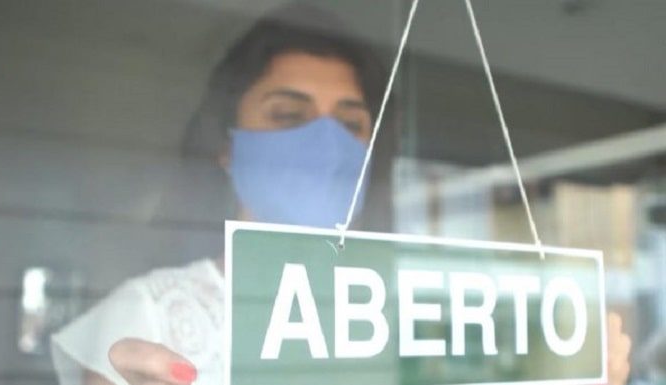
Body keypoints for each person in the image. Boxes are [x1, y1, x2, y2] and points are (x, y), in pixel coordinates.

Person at [51, 3, 631, 385]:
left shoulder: (411, 312)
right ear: (226, 146)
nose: (325, 145)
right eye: (287, 115)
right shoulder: (151, 312)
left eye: (350, 124)